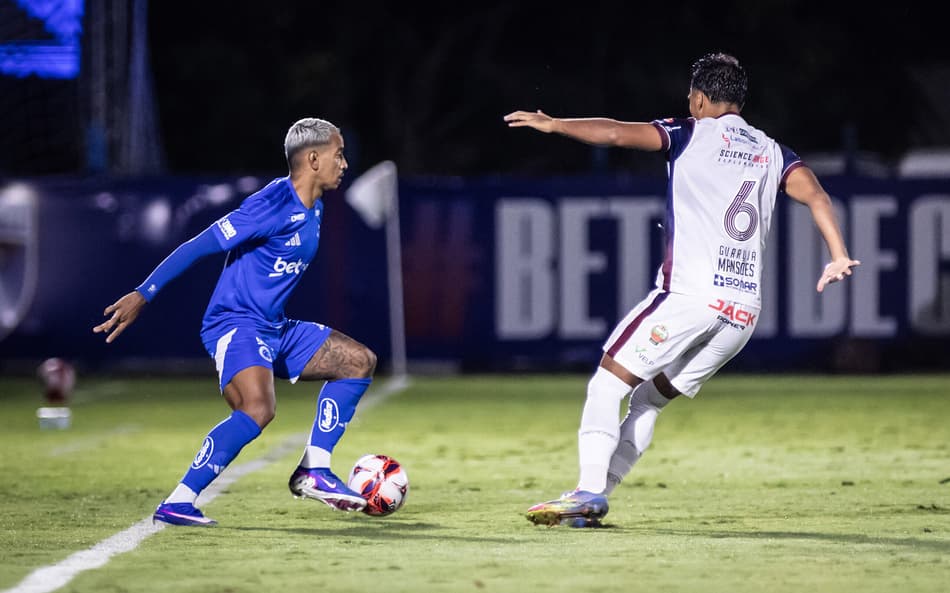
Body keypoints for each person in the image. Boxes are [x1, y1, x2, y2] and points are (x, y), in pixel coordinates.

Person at [504, 52, 860, 527]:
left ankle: (589, 490)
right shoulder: (773, 151)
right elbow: (816, 194)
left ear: (698, 97)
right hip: (742, 313)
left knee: (608, 383)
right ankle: (591, 499)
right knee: (649, 400)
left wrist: (556, 124)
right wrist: (837, 254)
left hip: (689, 297)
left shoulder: (688, 131)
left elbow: (614, 132)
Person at [94, 117, 377, 526]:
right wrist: (144, 292)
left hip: (274, 326)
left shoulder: (315, 207)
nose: (345, 164)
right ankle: (179, 500)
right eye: (339, 154)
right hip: (235, 323)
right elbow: (198, 246)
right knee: (258, 408)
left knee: (358, 361)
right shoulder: (271, 205)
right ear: (313, 159)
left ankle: (314, 469)